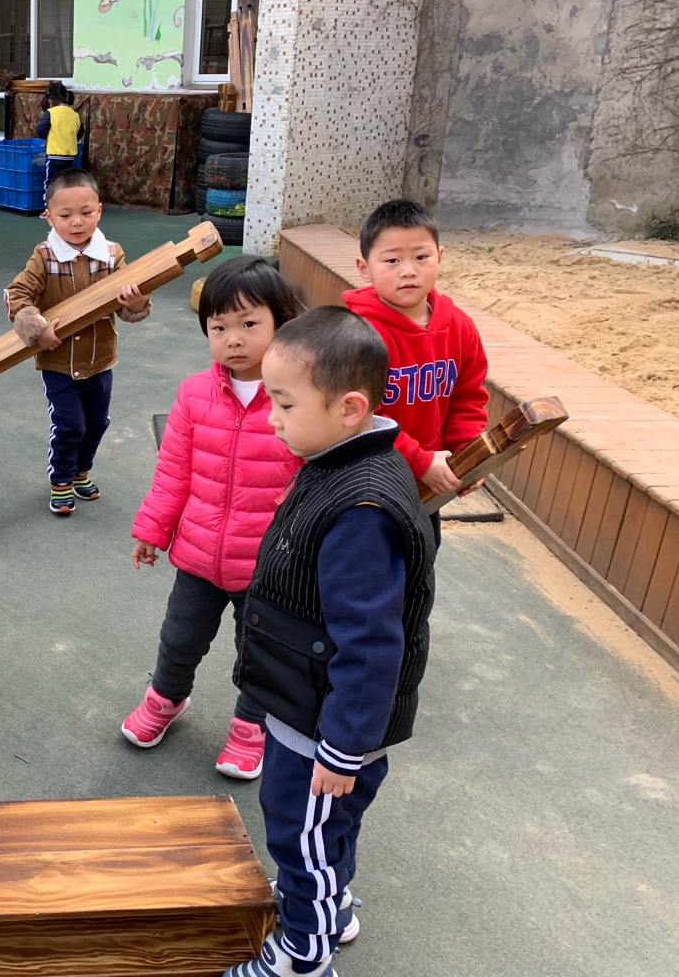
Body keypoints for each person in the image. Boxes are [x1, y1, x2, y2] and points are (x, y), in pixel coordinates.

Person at [221, 306, 437, 977]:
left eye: (284, 403)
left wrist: (342, 746)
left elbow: (371, 642)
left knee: (300, 835)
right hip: (311, 702)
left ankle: (303, 956)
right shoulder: (339, 460)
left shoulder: (362, 510)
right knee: (325, 832)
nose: (272, 417)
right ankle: (328, 907)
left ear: (349, 409)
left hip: (323, 726)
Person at [121, 257, 302, 780]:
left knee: (261, 651)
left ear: (282, 323)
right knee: (179, 638)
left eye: (249, 323)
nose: (233, 339)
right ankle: (166, 697)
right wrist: (152, 529)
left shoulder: (298, 397)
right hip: (199, 556)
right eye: (218, 327)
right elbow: (173, 470)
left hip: (267, 566)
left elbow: (313, 478)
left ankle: (252, 724)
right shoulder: (194, 394)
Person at [4, 168, 150, 514]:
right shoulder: (45, 256)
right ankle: (61, 481)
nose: (77, 222)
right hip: (59, 363)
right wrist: (38, 328)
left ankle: (81, 472)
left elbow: (127, 305)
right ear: (48, 216)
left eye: (86, 212)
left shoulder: (111, 254)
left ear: (99, 210)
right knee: (70, 425)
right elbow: (16, 297)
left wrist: (137, 303)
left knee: (97, 423)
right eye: (65, 215)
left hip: (100, 360)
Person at [343, 198, 488, 545]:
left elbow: (467, 397)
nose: (408, 270)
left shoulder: (459, 327)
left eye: (421, 257)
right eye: (392, 260)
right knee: (366, 558)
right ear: (364, 268)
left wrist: (468, 455)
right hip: (365, 480)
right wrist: (418, 460)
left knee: (421, 553)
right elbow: (359, 418)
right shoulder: (357, 335)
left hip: (427, 482)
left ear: (440, 256)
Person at [35, 81, 84, 196]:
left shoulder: (51, 113)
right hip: (70, 157)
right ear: (66, 96)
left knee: (51, 183)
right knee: (66, 184)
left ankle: (50, 205)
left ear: (50, 100)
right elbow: (80, 132)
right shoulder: (74, 114)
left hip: (54, 156)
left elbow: (40, 132)